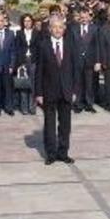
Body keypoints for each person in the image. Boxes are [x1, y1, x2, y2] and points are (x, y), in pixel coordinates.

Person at [35, 16, 78, 165]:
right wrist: (39, 93)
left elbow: (75, 69)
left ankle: (63, 152)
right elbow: (39, 71)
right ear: (49, 29)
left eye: (60, 27)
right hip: (49, 91)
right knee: (49, 124)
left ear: (64, 29)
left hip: (66, 91)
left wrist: (74, 91)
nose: (57, 30)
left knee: (65, 125)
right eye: (54, 27)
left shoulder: (71, 44)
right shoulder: (43, 45)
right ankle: (51, 153)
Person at [14, 14, 39, 115]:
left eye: (29, 21)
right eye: (25, 21)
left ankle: (32, 107)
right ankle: (24, 107)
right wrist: (20, 63)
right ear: (22, 23)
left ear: (32, 22)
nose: (27, 23)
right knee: (24, 84)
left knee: (33, 85)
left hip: (33, 60)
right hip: (23, 61)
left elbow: (39, 47)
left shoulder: (37, 33)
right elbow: (17, 48)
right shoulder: (19, 33)